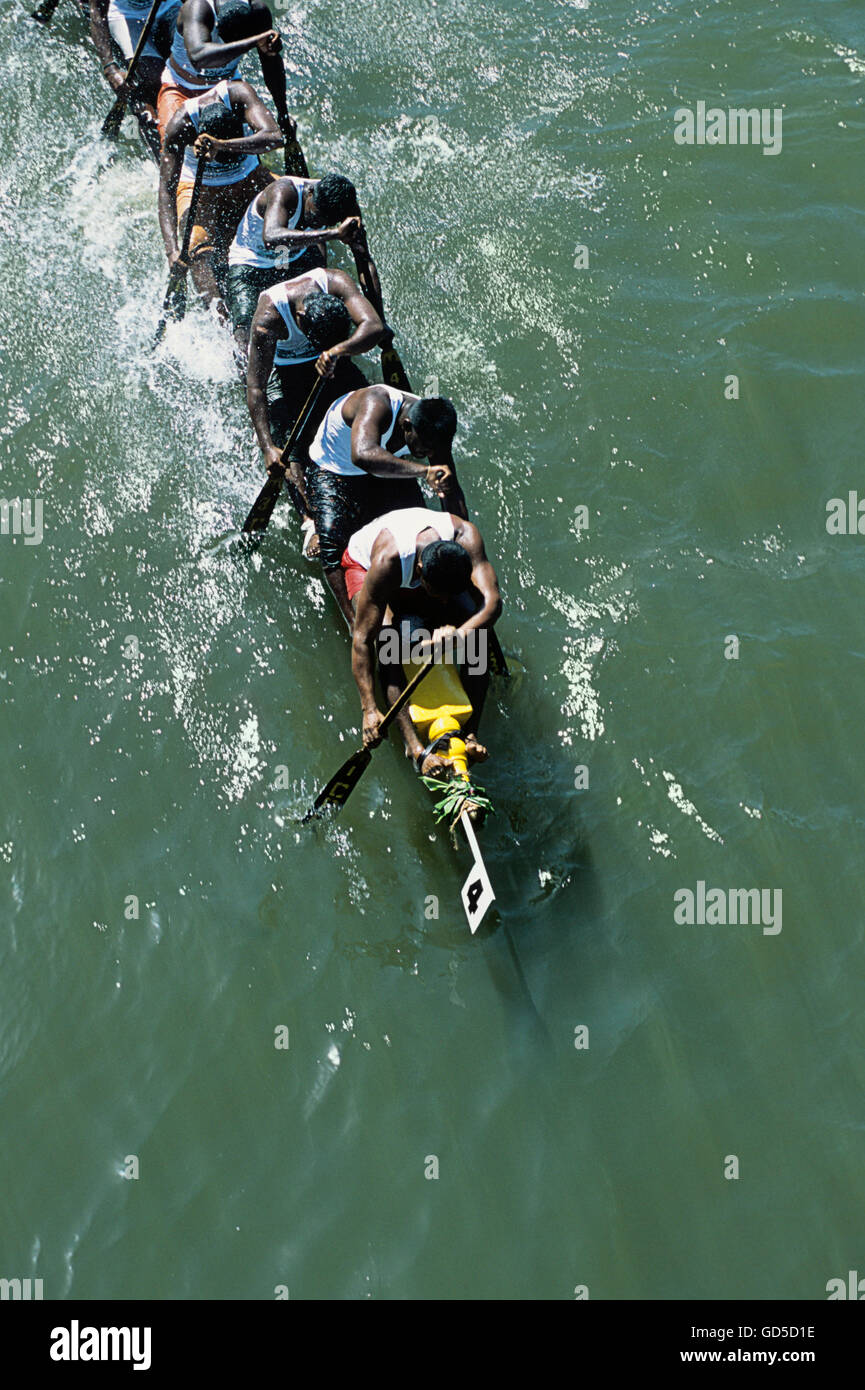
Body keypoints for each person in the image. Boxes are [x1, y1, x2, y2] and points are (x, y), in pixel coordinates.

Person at [346, 508, 502, 774]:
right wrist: (369, 709)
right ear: (420, 570)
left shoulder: (466, 535)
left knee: (478, 636)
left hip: (417, 579)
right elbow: (361, 640)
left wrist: (457, 637)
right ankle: (414, 749)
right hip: (363, 565)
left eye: (448, 595)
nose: (443, 601)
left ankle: (471, 735)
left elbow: (493, 605)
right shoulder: (387, 562)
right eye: (438, 594)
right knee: (387, 644)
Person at [246, 269, 384, 552]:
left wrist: (336, 352)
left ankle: (379, 483)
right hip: (285, 372)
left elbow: (374, 327)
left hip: (335, 358)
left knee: (369, 410)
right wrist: (267, 447)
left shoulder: (336, 282)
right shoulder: (269, 321)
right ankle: (309, 522)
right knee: (288, 448)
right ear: (299, 319)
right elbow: (256, 387)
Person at [305, 389, 466, 624]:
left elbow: (451, 488)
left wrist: (459, 541)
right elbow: (362, 455)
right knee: (332, 546)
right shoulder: (376, 403)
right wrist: (424, 471)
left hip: (383, 469)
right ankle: (354, 622)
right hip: (335, 469)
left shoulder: (433, 429)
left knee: (422, 523)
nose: (429, 454)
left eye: (433, 451)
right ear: (407, 425)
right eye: (424, 448)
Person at [158, 78, 283, 325]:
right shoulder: (180, 125)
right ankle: (221, 320)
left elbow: (275, 137)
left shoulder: (239, 95)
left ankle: (282, 272)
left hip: (249, 177)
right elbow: (165, 191)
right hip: (200, 188)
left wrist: (224, 146)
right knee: (195, 246)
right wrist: (172, 250)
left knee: (288, 213)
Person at [227, 172, 371, 360]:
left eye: (325, 222)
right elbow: (271, 238)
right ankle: (248, 375)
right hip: (250, 260)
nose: (317, 223)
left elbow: (364, 261)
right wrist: (333, 233)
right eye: (315, 215)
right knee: (246, 333)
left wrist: (379, 323)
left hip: (285, 256)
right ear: (310, 193)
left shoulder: (346, 205)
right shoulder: (284, 191)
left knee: (324, 315)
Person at [157, 0, 289, 145]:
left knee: (248, 146)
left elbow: (271, 63)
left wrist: (283, 114)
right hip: (181, 87)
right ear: (217, 25)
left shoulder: (258, 10)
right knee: (172, 144)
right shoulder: (196, 7)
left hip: (227, 89)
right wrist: (254, 42)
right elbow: (199, 58)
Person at [89, 0, 181, 144]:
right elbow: (97, 13)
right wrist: (110, 69)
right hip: (127, 13)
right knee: (152, 76)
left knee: (194, 53)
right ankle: (147, 111)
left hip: (168, 6)